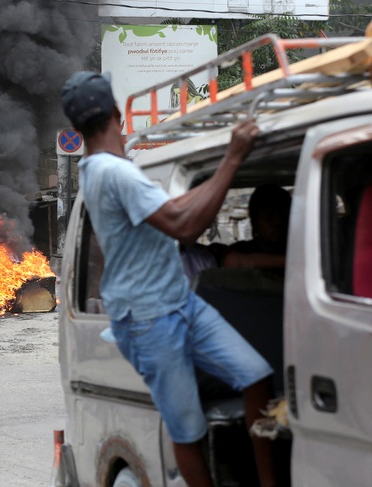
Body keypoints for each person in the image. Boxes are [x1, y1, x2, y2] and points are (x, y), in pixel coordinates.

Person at [61, 71, 276, 487]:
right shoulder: (115, 173)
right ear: (117, 114)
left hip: (180, 302)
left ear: (76, 128)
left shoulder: (102, 169)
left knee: (255, 375)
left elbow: (171, 209)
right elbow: (183, 226)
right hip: (148, 321)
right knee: (188, 431)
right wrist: (232, 158)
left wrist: (213, 177)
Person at [221, 183, 291, 270]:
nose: (277, 223)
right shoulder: (242, 250)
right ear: (255, 220)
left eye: (283, 216)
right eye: (269, 217)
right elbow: (234, 262)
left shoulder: (299, 249)